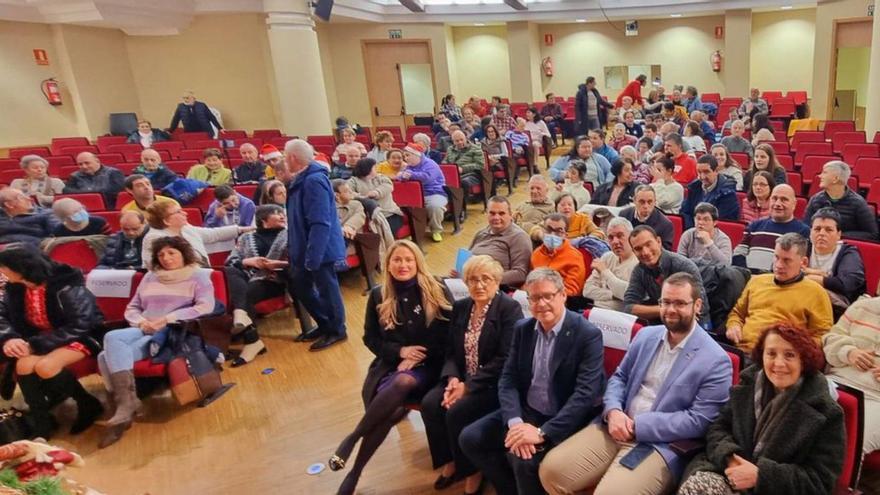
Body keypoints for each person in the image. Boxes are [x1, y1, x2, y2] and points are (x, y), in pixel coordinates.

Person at [541, 272, 732, 495]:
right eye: (666, 302)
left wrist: (637, 426)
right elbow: (620, 377)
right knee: (551, 471)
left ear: (697, 305)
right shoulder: (646, 336)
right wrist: (613, 411)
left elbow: (698, 420)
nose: (670, 310)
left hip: (660, 443)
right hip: (615, 425)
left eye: (680, 303)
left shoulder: (716, 360)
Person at [460, 268, 605, 495]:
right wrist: (515, 422)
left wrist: (541, 433)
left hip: (561, 417)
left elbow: (584, 396)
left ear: (563, 295)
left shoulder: (587, 334)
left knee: (523, 460)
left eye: (548, 296)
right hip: (528, 410)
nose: (542, 303)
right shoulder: (523, 329)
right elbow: (508, 379)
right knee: (470, 438)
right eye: (535, 298)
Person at [328, 240, 451, 495]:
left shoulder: (436, 287)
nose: (403, 265)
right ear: (388, 264)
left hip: (432, 364)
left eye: (408, 260)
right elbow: (370, 338)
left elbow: (449, 333)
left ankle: (352, 440)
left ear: (417, 262)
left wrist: (417, 356)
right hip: (393, 364)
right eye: (397, 260)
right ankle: (355, 472)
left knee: (403, 382)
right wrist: (400, 352)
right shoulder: (377, 294)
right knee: (391, 408)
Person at [682, 323, 845, 495]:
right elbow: (718, 428)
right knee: (700, 487)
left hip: (776, 489)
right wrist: (730, 457)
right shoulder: (748, 386)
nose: (779, 363)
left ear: (803, 360)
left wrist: (761, 476)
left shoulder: (826, 412)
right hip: (726, 471)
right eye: (771, 354)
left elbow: (820, 481)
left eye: (789, 355)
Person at [96, 236, 216, 448]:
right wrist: (142, 322)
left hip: (171, 331)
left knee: (104, 356)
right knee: (111, 337)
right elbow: (133, 307)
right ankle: (127, 403)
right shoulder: (151, 276)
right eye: (161, 255)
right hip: (144, 327)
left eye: (172, 253)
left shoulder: (198, 276)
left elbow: (204, 307)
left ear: (183, 254)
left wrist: (167, 319)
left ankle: (123, 408)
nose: (166, 259)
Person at [420, 256, 523, 495]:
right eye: (473, 279)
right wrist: (453, 378)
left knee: (457, 411)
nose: (479, 285)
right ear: (466, 282)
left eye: (486, 279)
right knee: (430, 404)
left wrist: (468, 386)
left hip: (492, 384)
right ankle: (452, 461)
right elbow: (451, 351)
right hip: (462, 377)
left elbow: (505, 358)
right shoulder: (461, 307)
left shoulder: (509, 309)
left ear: (497, 282)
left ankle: (473, 471)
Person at [0, 248, 104, 439]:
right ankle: (42, 423)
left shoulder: (67, 284)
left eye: (4, 268)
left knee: (46, 367)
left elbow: (81, 324)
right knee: (23, 364)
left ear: (20, 268)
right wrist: (9, 337)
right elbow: (2, 315)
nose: (1, 272)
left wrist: (35, 344)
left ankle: (87, 403)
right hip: (39, 339)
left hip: (80, 335)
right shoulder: (14, 288)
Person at [224, 204, 311, 367]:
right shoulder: (245, 238)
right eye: (276, 213)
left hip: (277, 279)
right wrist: (248, 261)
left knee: (246, 293)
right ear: (263, 220)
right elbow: (231, 261)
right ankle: (249, 333)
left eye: (282, 212)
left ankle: (250, 338)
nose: (282, 215)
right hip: (249, 277)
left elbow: (301, 261)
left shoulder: (291, 235)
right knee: (229, 272)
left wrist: (279, 264)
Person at [283, 139, 348, 351]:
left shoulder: (313, 181)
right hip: (304, 247)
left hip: (319, 248)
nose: (284, 161)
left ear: (293, 158)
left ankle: (337, 330)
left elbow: (320, 222)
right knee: (300, 286)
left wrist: (314, 256)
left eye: (285, 157)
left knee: (327, 290)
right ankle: (324, 323)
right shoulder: (301, 180)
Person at [726, 233, 834, 351]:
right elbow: (737, 314)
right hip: (742, 350)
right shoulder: (757, 281)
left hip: (781, 359)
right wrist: (734, 325)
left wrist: (795, 350)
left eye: (787, 260)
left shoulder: (816, 293)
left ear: (803, 262)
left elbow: (822, 336)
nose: (779, 265)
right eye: (777, 257)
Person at [823, 295, 880, 455]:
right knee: (793, 424)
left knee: (846, 444)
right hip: (836, 383)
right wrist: (848, 352)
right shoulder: (862, 307)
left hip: (876, 398)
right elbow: (829, 339)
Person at [624, 225, 710, 324]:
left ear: (659, 241)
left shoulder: (683, 265)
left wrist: (660, 309)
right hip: (663, 322)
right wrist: (666, 308)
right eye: (638, 249)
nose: (645, 252)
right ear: (633, 252)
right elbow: (628, 308)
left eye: (648, 244)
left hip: (695, 323)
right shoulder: (639, 271)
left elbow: (699, 306)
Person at [141, 200, 243, 270]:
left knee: (232, 272)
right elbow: (161, 268)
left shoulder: (185, 228)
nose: (185, 214)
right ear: (166, 221)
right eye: (178, 212)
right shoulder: (154, 239)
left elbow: (213, 234)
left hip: (201, 274)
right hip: (179, 282)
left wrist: (241, 229)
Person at [733, 184, 810, 272]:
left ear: (794, 204)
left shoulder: (802, 231)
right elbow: (738, 253)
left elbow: (799, 264)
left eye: (784, 200)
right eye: (774, 198)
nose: (777, 204)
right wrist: (746, 274)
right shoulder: (754, 226)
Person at [805, 208, 866, 316]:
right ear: (810, 232)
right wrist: (818, 273)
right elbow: (780, 269)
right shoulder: (803, 247)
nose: (822, 234)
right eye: (817, 229)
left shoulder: (848, 252)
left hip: (837, 308)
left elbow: (847, 284)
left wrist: (811, 277)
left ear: (838, 234)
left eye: (828, 230)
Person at [804, 160, 878, 240]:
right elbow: (806, 228)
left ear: (835, 179)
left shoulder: (857, 202)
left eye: (824, 173)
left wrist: (839, 236)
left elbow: (872, 234)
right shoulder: (815, 199)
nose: (820, 176)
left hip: (845, 246)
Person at [583, 217, 638, 311]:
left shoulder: (639, 263)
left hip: (621, 317)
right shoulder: (607, 257)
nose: (615, 241)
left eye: (620, 235)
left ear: (631, 237)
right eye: (610, 237)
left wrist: (604, 271)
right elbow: (587, 290)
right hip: (596, 311)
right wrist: (613, 295)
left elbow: (628, 294)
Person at [397, 143, 447, 242]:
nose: (405, 159)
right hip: (415, 195)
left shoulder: (431, 164)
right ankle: (414, 230)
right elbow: (400, 176)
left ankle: (436, 230)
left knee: (435, 206)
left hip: (434, 192)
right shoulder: (409, 167)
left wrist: (410, 175)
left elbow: (427, 178)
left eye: (407, 155)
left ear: (416, 155)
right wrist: (402, 176)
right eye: (404, 156)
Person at [531, 215, 587, 296]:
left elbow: (572, 291)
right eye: (548, 230)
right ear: (542, 231)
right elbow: (530, 280)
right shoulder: (536, 253)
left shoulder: (575, 257)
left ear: (565, 235)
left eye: (558, 231)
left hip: (560, 301)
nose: (552, 234)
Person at [681, 154, 740, 229]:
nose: (702, 177)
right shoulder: (694, 188)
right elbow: (685, 213)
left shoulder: (727, 194)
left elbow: (722, 222)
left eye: (706, 172)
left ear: (716, 171)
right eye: (699, 172)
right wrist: (693, 231)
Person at [348, 158, 405, 234]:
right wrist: (363, 197)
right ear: (367, 168)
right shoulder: (353, 181)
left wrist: (375, 193)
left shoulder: (382, 178)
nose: (376, 169)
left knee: (387, 232)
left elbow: (387, 187)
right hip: (366, 216)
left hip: (389, 214)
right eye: (374, 167)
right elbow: (349, 193)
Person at [620, 185, 675, 250]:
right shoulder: (624, 215)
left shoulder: (665, 224)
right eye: (642, 202)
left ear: (655, 202)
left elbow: (665, 252)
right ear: (634, 201)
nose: (646, 206)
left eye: (650, 202)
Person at [514, 175, 556, 239]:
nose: (534, 191)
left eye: (538, 188)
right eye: (532, 188)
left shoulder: (552, 207)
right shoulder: (521, 205)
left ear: (546, 190)